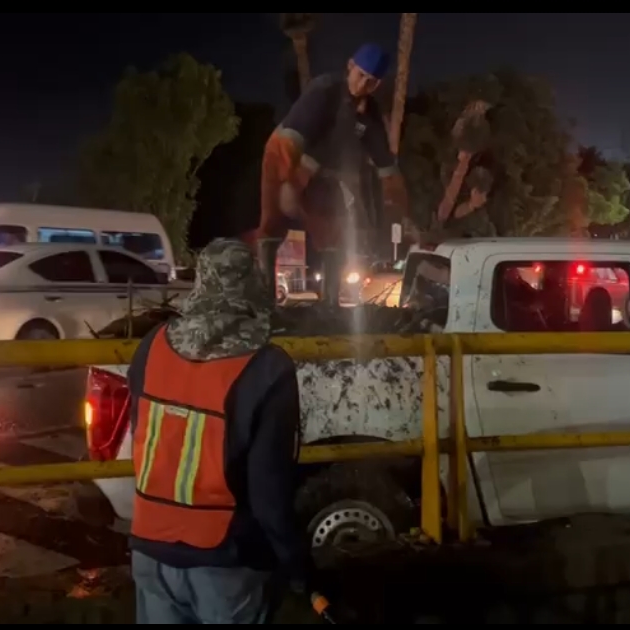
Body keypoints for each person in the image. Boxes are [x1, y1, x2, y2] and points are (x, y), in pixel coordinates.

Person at [126, 238, 310, 624]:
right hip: (224, 564)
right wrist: (297, 564)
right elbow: (269, 495)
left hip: (150, 551)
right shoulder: (268, 368)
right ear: (254, 285)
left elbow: (144, 439)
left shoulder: (151, 347)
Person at [253, 42, 414, 306]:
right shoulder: (323, 90)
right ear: (350, 66)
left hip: (325, 172)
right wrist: (290, 183)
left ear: (378, 84)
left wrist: (402, 214)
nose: (363, 85)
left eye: (372, 82)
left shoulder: (370, 116)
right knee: (274, 222)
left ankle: (329, 305)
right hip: (286, 151)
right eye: (360, 75)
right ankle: (266, 301)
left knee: (331, 231)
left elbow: (388, 169)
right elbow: (292, 142)